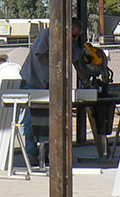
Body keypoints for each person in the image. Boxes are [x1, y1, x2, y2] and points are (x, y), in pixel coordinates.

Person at [19, 19, 83, 164]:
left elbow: (77, 57)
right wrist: (62, 55)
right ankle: (31, 154)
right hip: (33, 81)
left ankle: (49, 153)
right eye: (72, 36)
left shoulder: (70, 43)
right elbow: (42, 57)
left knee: (53, 120)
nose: (73, 39)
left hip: (50, 85)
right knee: (31, 120)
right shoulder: (46, 35)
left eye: (76, 37)